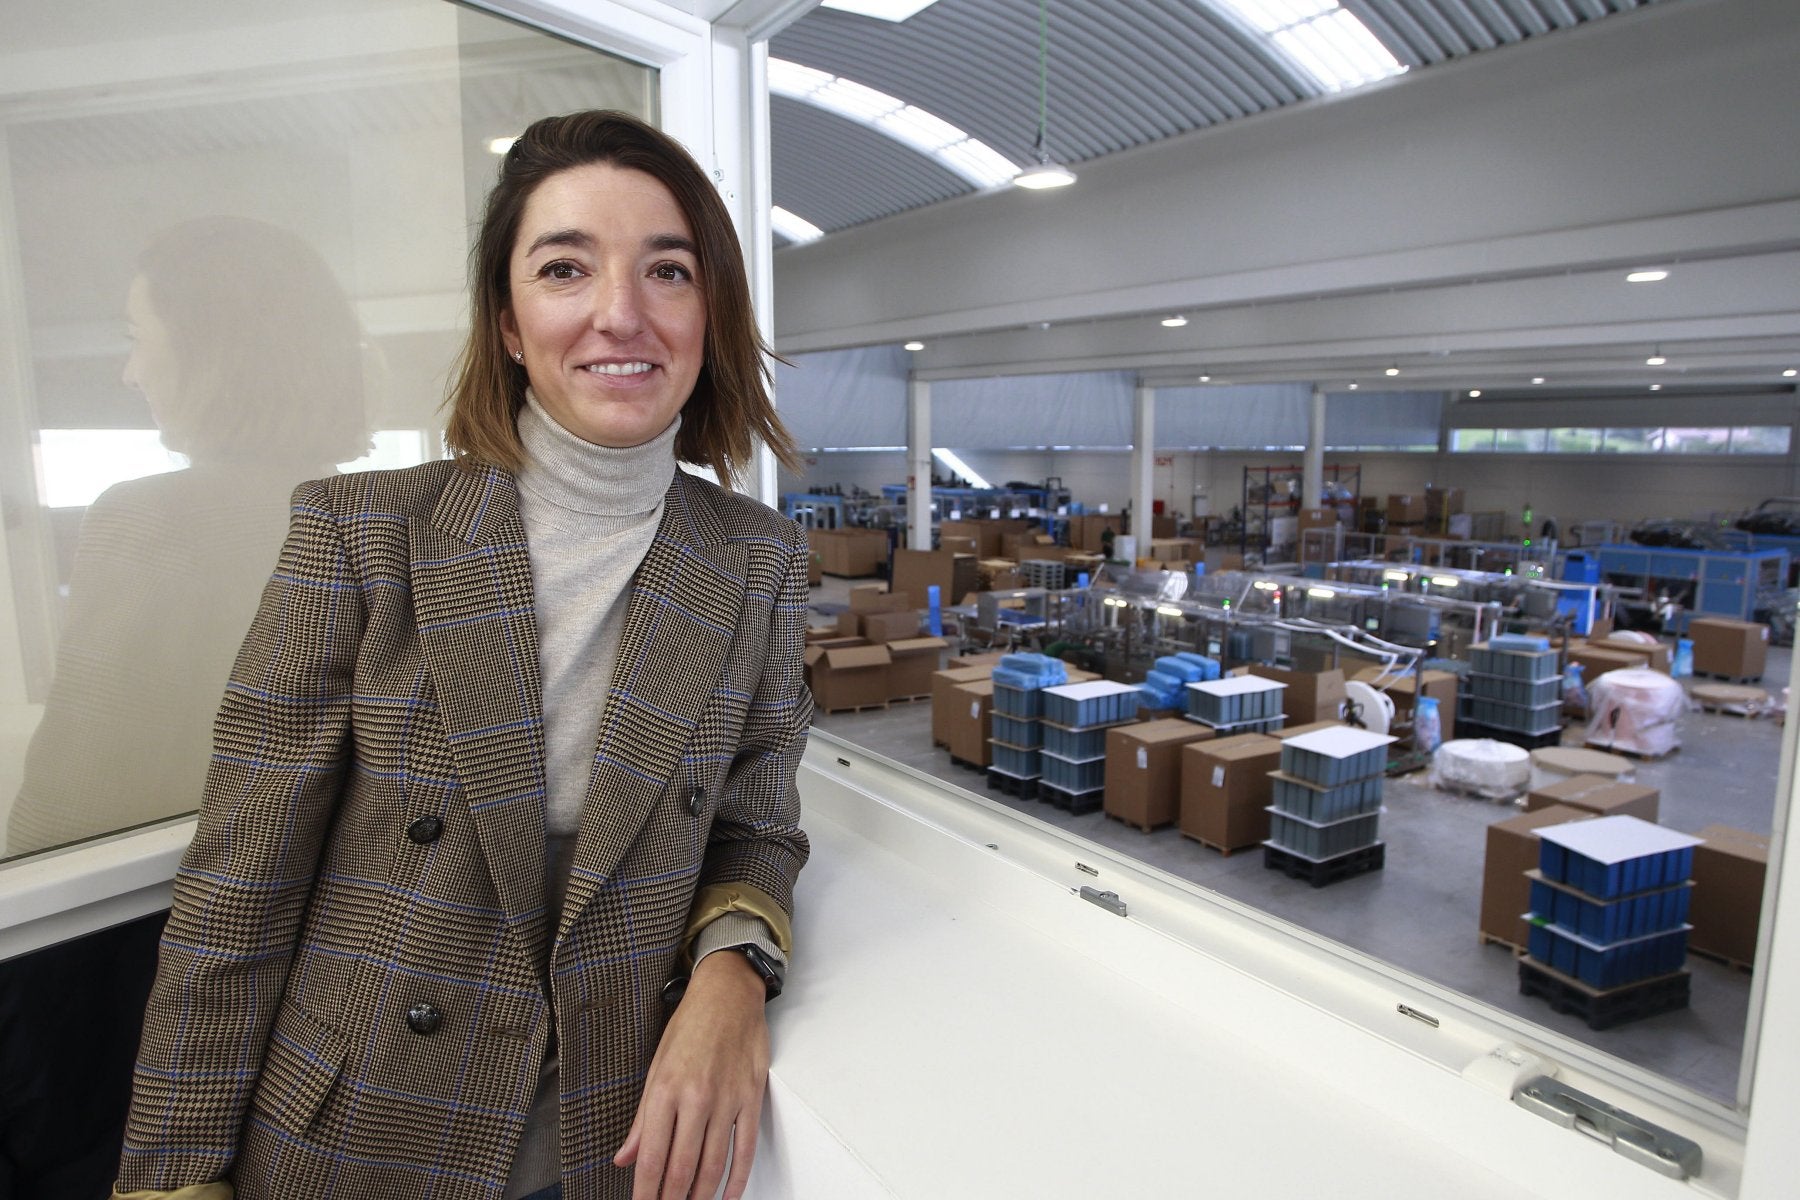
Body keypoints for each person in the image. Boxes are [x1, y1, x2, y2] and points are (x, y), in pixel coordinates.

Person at [113, 110, 813, 1200]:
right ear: (508, 322)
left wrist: (733, 973)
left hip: (606, 1136)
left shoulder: (755, 558)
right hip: (359, 1133)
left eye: (667, 270)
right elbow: (237, 893)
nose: (620, 313)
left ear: (709, 310)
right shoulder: (363, 535)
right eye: (565, 267)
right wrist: (171, 1177)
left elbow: (757, 822)